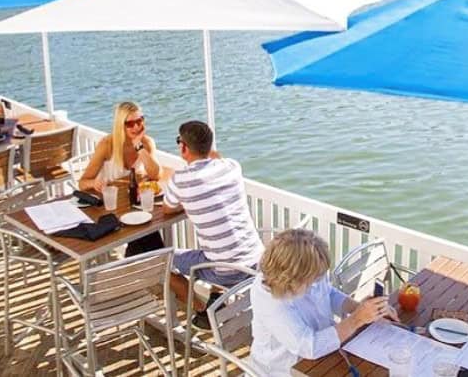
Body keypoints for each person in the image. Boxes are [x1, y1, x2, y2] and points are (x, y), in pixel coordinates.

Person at [249, 229, 399, 376]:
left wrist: (359, 308)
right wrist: (358, 318)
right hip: (285, 369)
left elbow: (329, 292)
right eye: (313, 279)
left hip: (325, 352)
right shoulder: (271, 302)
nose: (317, 281)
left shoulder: (309, 272)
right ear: (291, 279)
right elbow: (309, 346)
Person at [162, 120, 264, 329]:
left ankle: (204, 313)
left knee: (162, 263)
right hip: (257, 261)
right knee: (213, 251)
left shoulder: (181, 180)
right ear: (210, 145)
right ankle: (217, 303)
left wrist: (188, 202)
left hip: (226, 270)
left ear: (183, 147)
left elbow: (167, 209)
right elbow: (218, 158)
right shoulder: (232, 167)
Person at [79, 101, 163, 255]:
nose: (136, 127)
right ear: (120, 125)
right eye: (130, 123)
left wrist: (139, 147)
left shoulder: (146, 143)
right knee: (147, 236)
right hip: (111, 212)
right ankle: (157, 269)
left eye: (139, 121)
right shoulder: (107, 145)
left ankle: (150, 269)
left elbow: (156, 175)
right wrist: (95, 182)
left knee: (146, 232)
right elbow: (82, 183)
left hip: (135, 208)